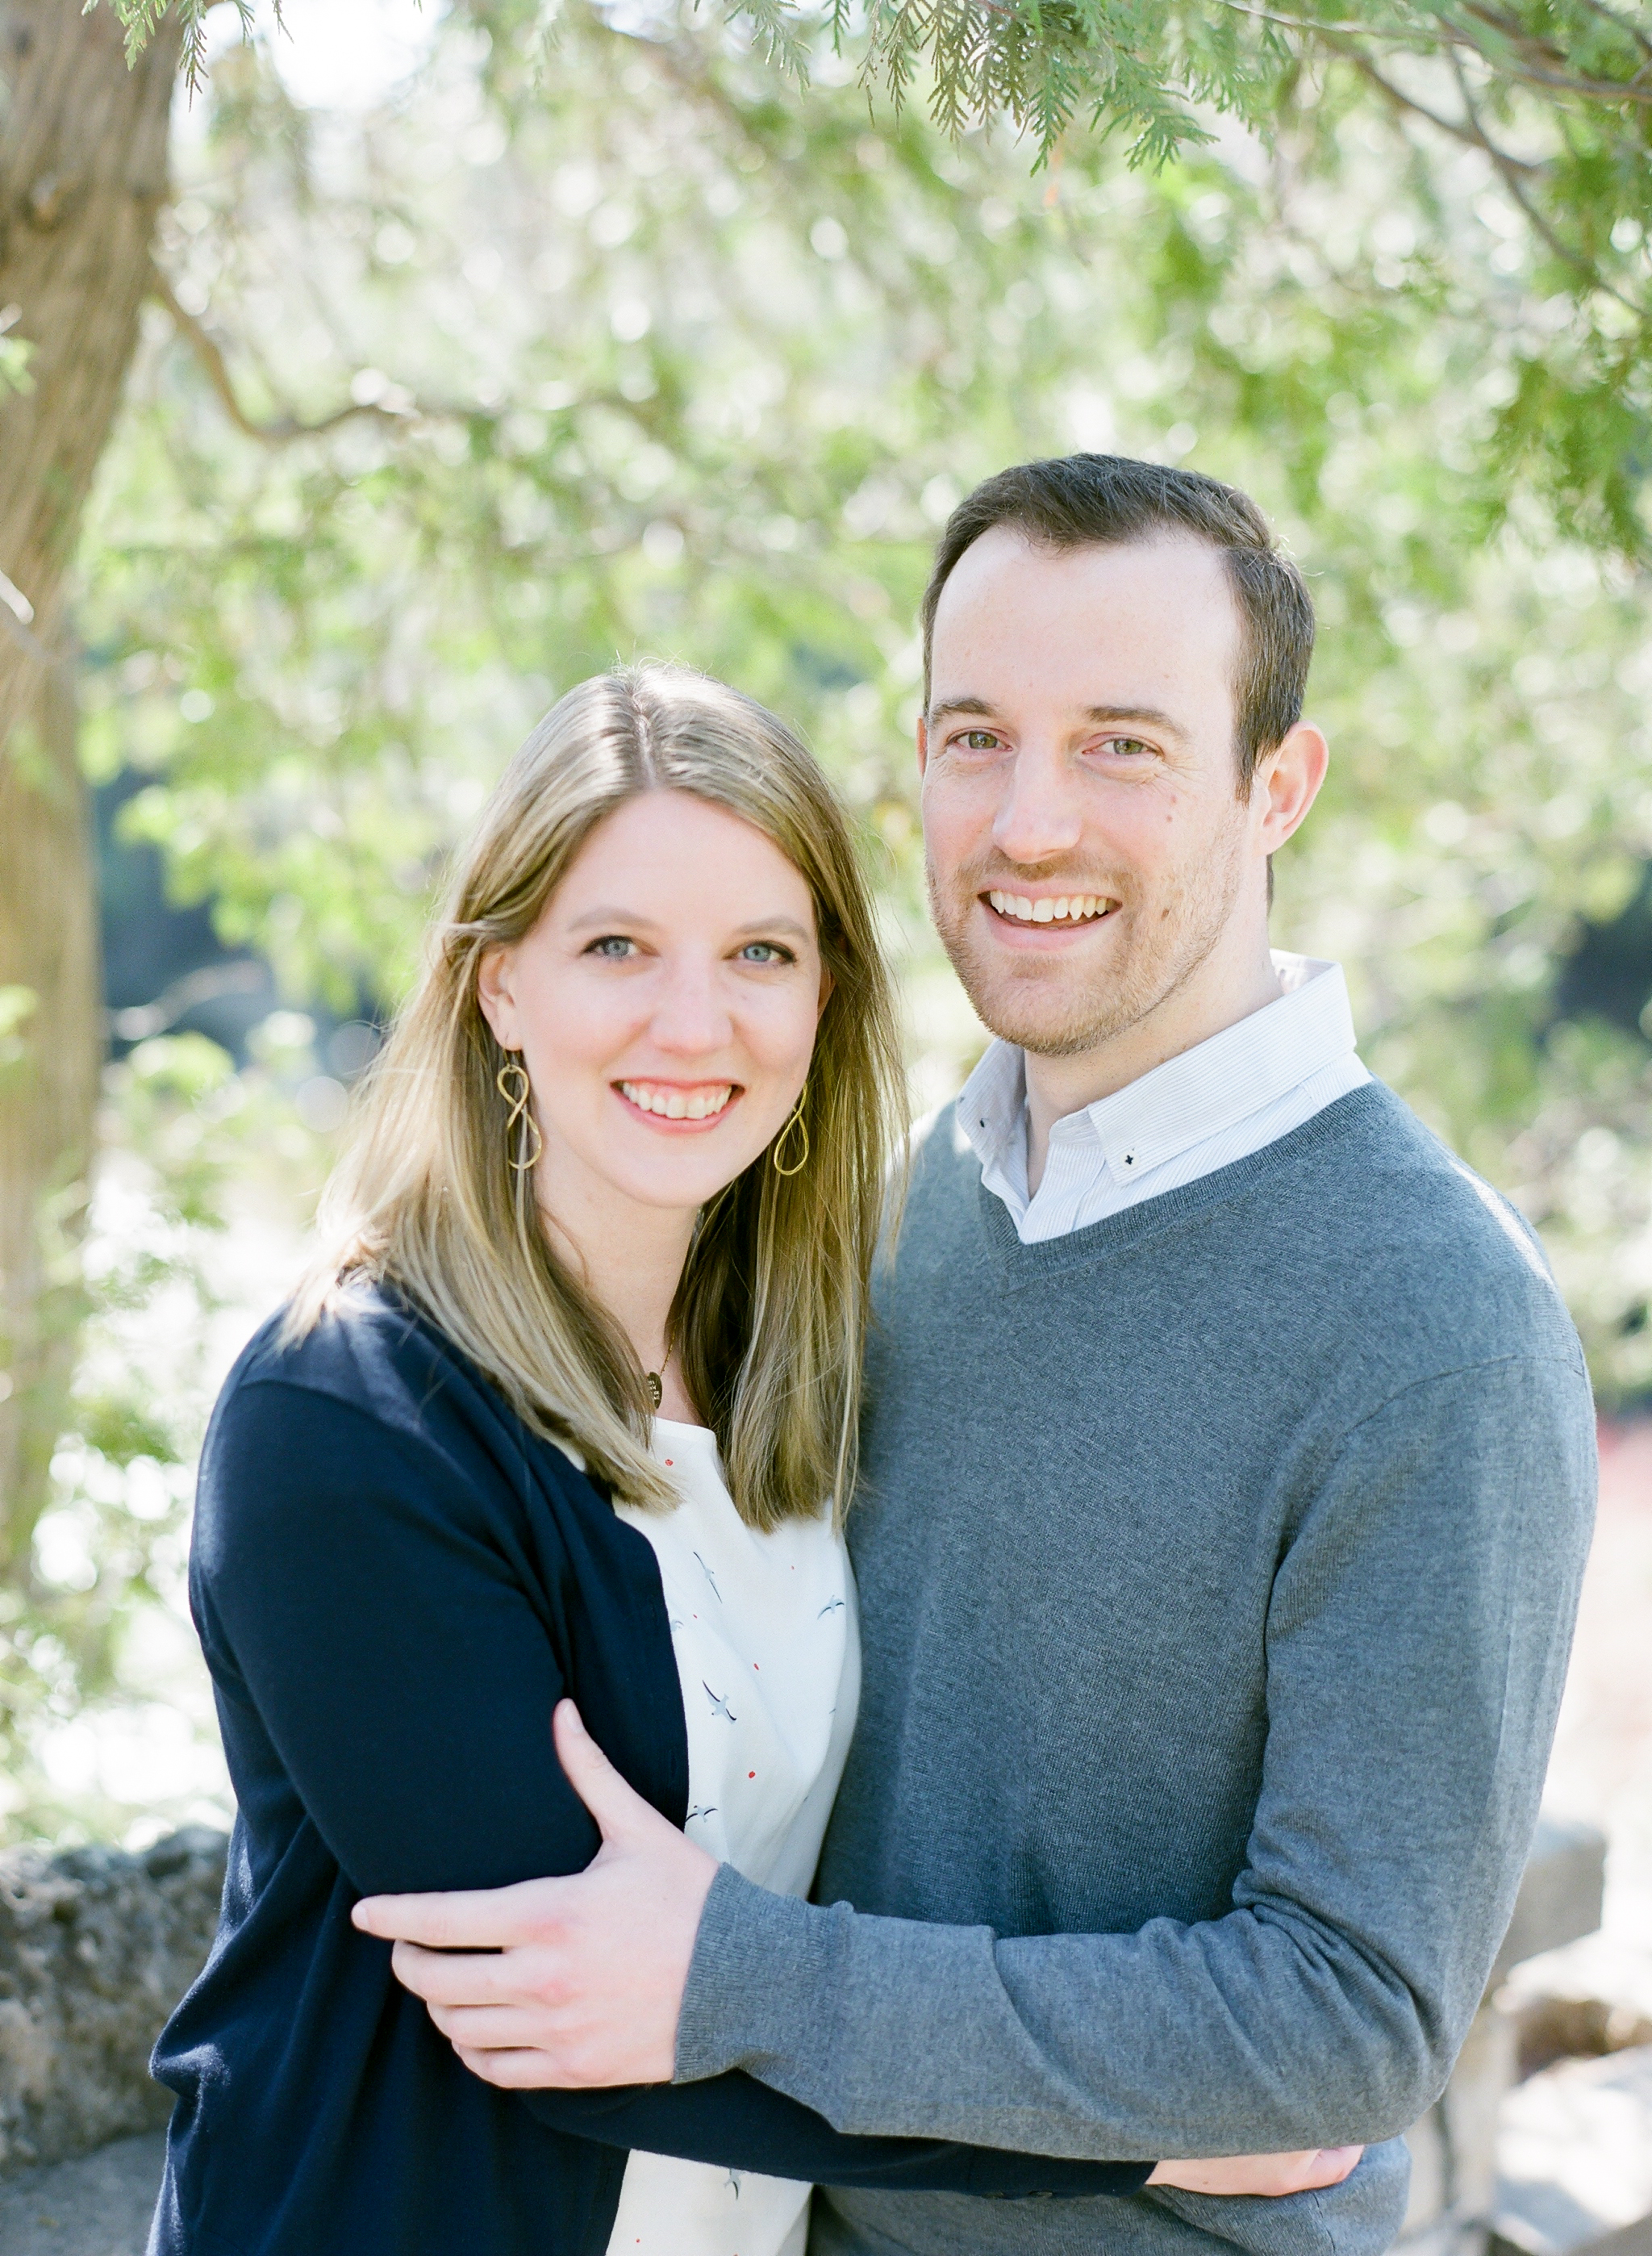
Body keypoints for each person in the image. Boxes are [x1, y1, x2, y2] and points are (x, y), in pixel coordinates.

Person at [354, 457, 1598, 2256]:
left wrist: (747, 1981)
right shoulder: (910, 1203)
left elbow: (1346, 2026)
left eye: (1122, 745)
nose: (1027, 825)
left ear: (1278, 787)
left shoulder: (1432, 1316)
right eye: (973, 738)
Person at [149, 662, 1345, 2256]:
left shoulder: (811, 1369)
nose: (691, 1023)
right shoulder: (352, 1421)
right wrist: (1138, 2139)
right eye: (616, 948)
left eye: (759, 954)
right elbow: (579, 2028)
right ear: (500, 982)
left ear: (826, 999)